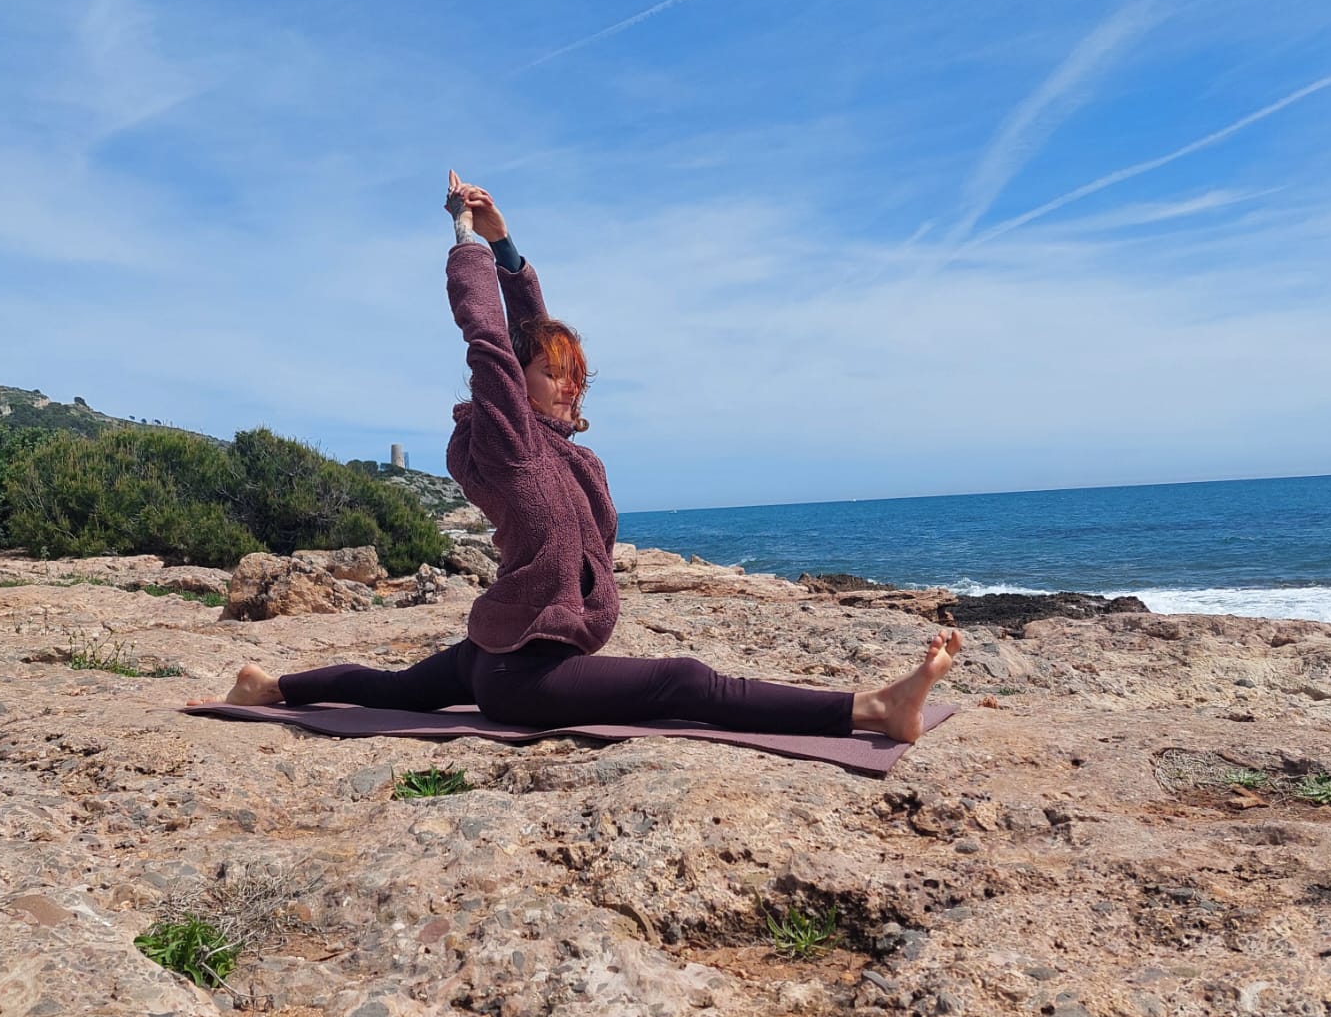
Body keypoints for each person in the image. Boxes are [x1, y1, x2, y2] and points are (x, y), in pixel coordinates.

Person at [223, 172, 960, 743]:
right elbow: (491, 340)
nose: (572, 381)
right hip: (523, 672)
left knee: (394, 687)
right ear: (516, 385)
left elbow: (526, 335)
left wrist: (507, 247)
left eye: (578, 370)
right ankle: (871, 709)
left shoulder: (563, 456)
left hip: (498, 647)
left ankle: (271, 687)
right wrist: (463, 241)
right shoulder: (510, 445)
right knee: (684, 681)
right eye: (554, 372)